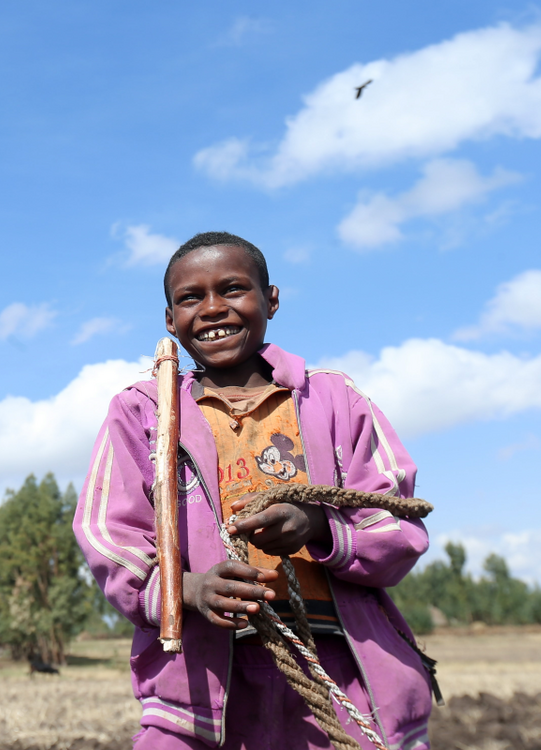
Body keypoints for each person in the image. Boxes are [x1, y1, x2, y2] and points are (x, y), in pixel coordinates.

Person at [74, 232, 433, 750]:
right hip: (198, 685)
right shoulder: (142, 412)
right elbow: (106, 532)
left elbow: (396, 525)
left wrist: (317, 526)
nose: (213, 309)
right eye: (190, 298)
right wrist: (190, 590)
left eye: (234, 289)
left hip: (342, 670)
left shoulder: (333, 398)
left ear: (271, 300)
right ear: (170, 320)